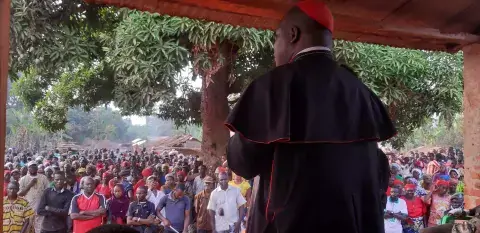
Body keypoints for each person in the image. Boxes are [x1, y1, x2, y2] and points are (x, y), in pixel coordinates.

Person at [224, 1, 396, 233]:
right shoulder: (361, 92)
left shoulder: (272, 87)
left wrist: (238, 132)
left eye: (277, 38)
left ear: (293, 34)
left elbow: (242, 163)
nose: (275, 47)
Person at [18, 161, 50, 233]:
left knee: (39, 228)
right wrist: (30, 184)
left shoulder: (43, 177)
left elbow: (48, 191)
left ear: (37, 167)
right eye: (31, 166)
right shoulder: (23, 179)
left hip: (40, 207)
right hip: (28, 208)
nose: (33, 168)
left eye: (34, 166)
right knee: (28, 227)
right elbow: (20, 194)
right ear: (28, 168)